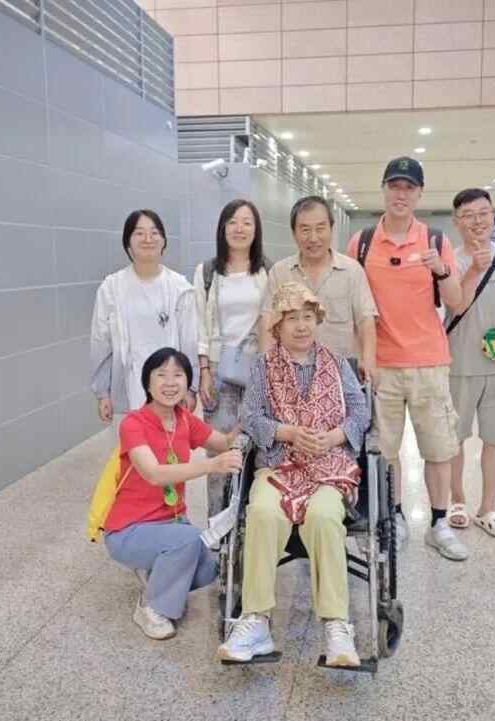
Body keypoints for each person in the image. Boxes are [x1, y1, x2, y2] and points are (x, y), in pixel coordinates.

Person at [218, 283, 370, 667]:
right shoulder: (263, 366)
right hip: (279, 465)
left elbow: (360, 412)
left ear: (317, 321)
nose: (301, 326)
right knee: (262, 512)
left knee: (324, 516)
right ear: (278, 326)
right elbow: (250, 417)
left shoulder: (337, 363)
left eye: (307, 317)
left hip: (328, 467)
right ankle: (256, 621)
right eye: (291, 319)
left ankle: (337, 625)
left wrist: (334, 437)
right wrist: (287, 433)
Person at [346, 156, 467, 561]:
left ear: (419, 194)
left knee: (439, 448)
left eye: (409, 188)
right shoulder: (362, 243)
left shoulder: (435, 240)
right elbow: (353, 305)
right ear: (383, 189)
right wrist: (361, 358)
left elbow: (456, 302)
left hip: (429, 363)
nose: (401, 194)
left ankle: (439, 522)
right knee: (387, 452)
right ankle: (394, 517)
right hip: (380, 366)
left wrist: (442, 271)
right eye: (394, 186)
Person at [102, 348, 243, 640]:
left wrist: (252, 418)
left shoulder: (184, 419)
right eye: (161, 375)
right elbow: (154, 474)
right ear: (148, 383)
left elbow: (224, 442)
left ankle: (157, 576)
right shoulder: (133, 423)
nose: (170, 383)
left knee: (207, 569)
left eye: (178, 375)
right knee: (189, 540)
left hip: (171, 523)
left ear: (187, 382)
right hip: (129, 529)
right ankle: (151, 607)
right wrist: (210, 465)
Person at [445, 189, 495, 537]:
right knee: (454, 439)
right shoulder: (449, 260)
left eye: (483, 213)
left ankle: (488, 507)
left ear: (493, 217)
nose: (477, 221)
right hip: (458, 365)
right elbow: (455, 306)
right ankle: (457, 500)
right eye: (468, 215)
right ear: (456, 222)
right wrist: (473, 270)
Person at [193, 200, 269, 520]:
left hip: (257, 373)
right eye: (233, 222)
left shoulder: (267, 271)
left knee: (257, 450)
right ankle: (216, 526)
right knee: (219, 453)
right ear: (222, 228)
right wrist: (203, 370)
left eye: (247, 222)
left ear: (256, 230)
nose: (240, 228)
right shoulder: (207, 272)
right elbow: (200, 323)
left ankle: (249, 525)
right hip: (218, 373)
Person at [91, 210, 198, 424]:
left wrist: (191, 389)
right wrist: (103, 393)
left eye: (154, 233)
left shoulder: (180, 288)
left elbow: (190, 341)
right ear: (128, 243)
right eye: (139, 233)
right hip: (129, 386)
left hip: (171, 388)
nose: (148, 239)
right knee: (133, 441)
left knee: (169, 442)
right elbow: (101, 342)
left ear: (164, 242)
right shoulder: (112, 288)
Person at [259, 195, 377, 383]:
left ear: (331, 229)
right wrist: (266, 369)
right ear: (294, 233)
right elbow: (267, 321)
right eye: (305, 230)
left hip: (341, 373)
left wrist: (369, 359)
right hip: (291, 375)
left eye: (320, 228)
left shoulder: (352, 271)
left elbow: (365, 320)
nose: (313, 238)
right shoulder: (280, 273)